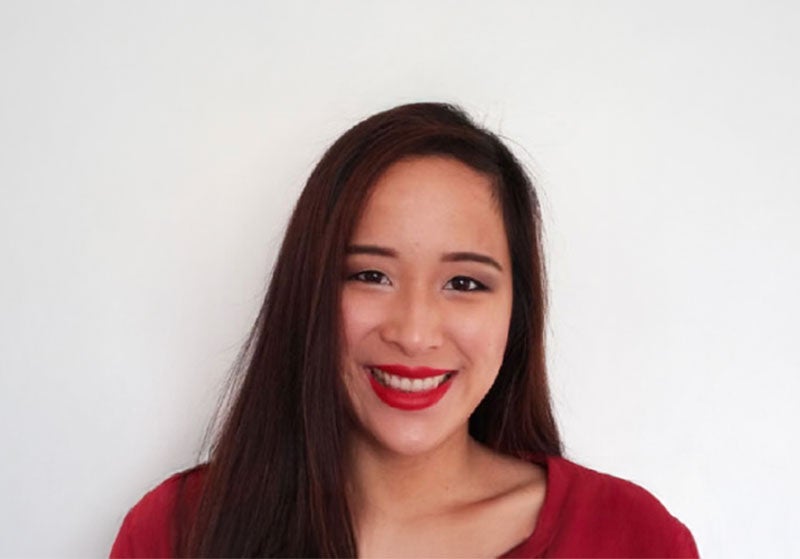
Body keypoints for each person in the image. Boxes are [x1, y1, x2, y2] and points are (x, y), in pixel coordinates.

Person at [110, 103, 698, 557]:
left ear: (517, 312)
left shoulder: (631, 538)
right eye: (370, 275)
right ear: (308, 292)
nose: (414, 334)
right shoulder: (175, 532)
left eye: (464, 283)